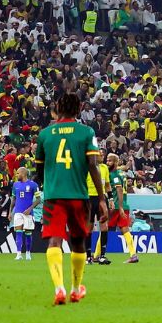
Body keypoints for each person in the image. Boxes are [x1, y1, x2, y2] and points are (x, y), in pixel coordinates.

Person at [35, 91, 107, 305]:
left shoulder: (45, 134)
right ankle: (76, 289)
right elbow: (93, 165)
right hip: (78, 196)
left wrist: (50, 182)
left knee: (54, 241)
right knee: (78, 242)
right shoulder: (86, 132)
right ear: (79, 108)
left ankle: (59, 288)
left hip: (53, 196)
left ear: (57, 108)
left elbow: (39, 169)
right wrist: (101, 198)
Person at [107, 154, 137, 264]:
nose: (107, 162)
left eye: (109, 161)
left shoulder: (114, 174)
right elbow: (124, 167)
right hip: (125, 205)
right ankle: (133, 254)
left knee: (105, 229)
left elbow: (119, 189)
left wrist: (119, 207)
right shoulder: (121, 172)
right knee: (125, 230)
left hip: (115, 206)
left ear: (115, 162)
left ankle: (96, 255)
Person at [86, 146, 112, 265]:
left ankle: (102, 256)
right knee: (89, 227)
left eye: (103, 155)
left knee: (104, 227)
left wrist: (110, 199)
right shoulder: (87, 168)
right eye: (99, 154)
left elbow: (107, 185)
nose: (102, 156)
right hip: (89, 198)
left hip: (101, 199)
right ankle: (88, 256)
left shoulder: (105, 168)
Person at [11, 167, 41, 261]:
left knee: (28, 234)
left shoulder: (33, 185)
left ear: (23, 174)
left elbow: (38, 199)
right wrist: (10, 212)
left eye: (18, 173)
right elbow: (13, 199)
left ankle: (28, 253)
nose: (17, 175)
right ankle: (18, 254)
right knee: (18, 232)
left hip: (28, 213)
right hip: (18, 212)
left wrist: (30, 209)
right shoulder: (15, 185)